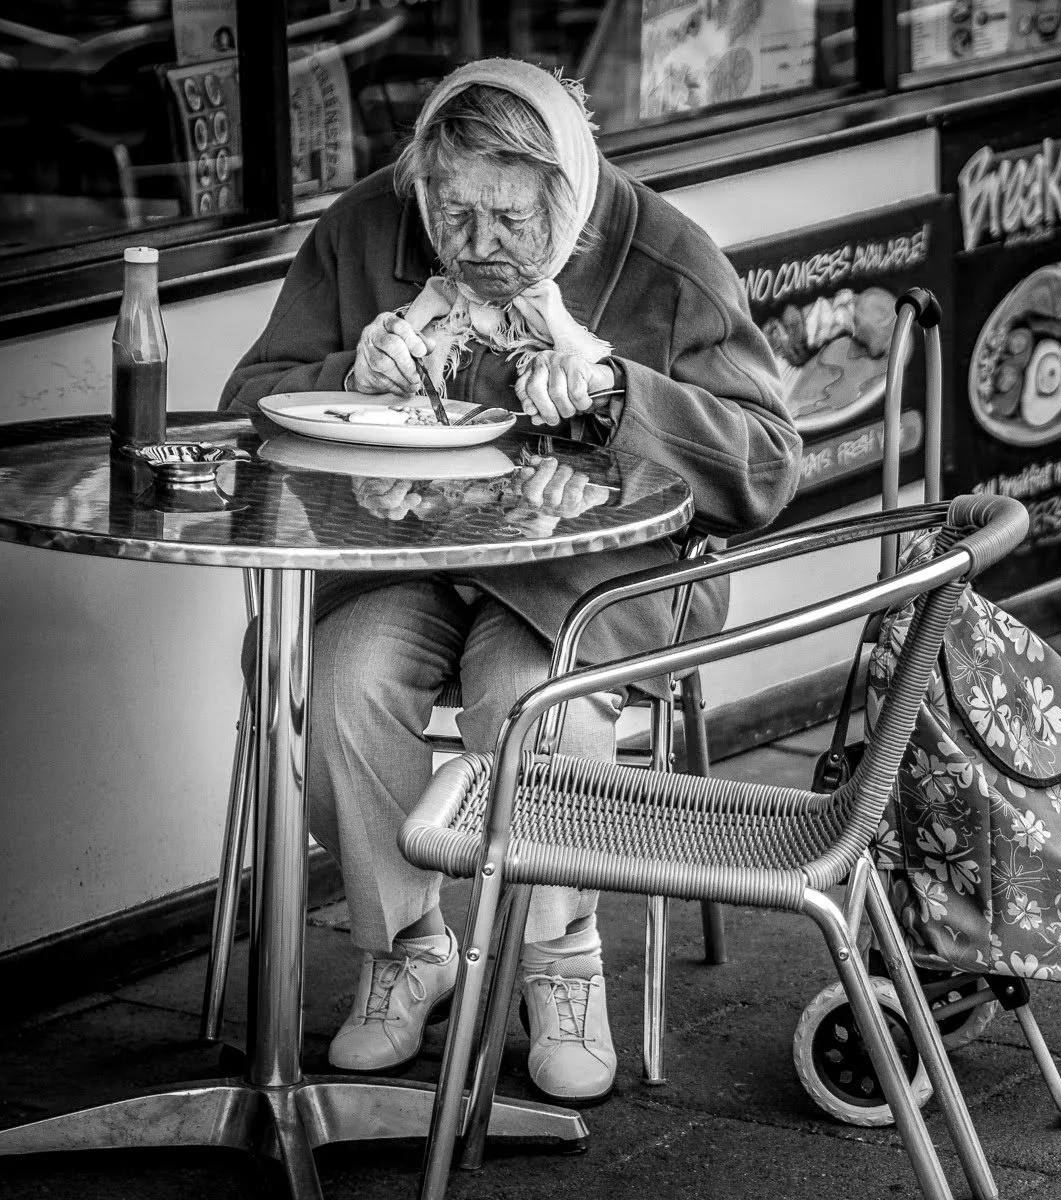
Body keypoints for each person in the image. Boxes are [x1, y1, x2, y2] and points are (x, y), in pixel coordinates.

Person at [220, 60, 800, 1102]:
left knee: (530, 703)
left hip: (597, 571)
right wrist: (350, 375)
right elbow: (252, 401)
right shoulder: (364, 229)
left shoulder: (663, 254)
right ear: (421, 183)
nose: (477, 246)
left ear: (567, 195)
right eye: (452, 214)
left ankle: (560, 961)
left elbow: (765, 465)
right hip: (418, 556)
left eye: (510, 219)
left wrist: (621, 384)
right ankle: (408, 950)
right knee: (340, 676)